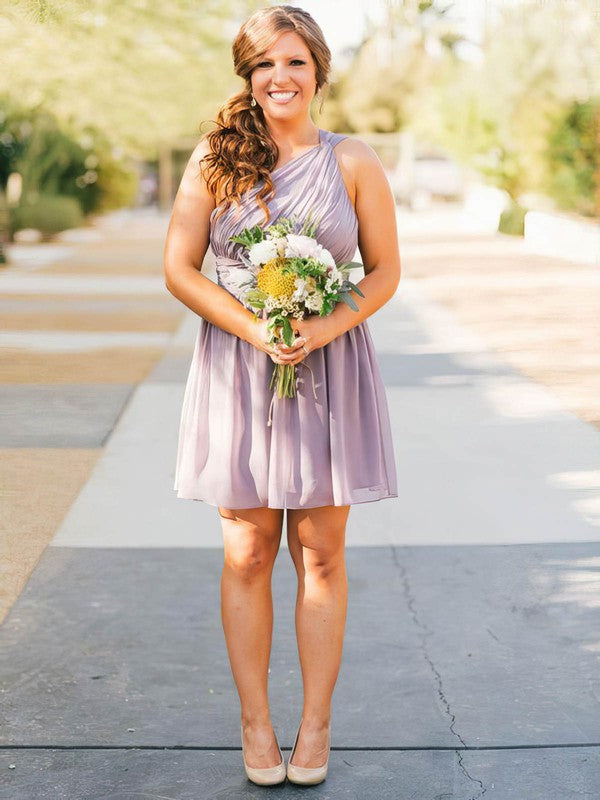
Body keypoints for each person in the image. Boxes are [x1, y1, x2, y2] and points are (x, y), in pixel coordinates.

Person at [163, 4, 400, 787]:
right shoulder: (215, 158)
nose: (280, 77)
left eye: (295, 61)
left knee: (321, 554)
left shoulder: (353, 160)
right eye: (265, 63)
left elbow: (384, 272)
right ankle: (256, 724)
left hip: (329, 370)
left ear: (319, 72)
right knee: (248, 550)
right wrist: (257, 330)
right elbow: (179, 268)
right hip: (238, 366)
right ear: (248, 75)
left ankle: (316, 725)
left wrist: (319, 329)